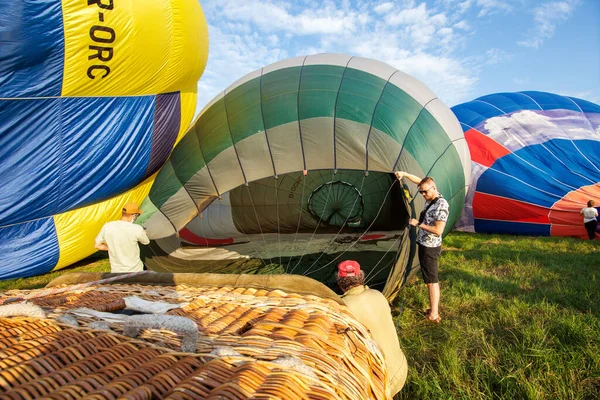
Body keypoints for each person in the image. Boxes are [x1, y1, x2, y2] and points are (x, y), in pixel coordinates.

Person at [337, 260, 408, 396]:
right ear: (361, 276)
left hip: (379, 383)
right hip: (401, 369)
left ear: (339, 280)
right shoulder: (378, 295)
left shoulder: (343, 308)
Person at [394, 171, 449, 323]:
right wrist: (404, 174)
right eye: (421, 192)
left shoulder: (441, 205)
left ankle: (434, 314)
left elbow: (438, 231)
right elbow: (421, 181)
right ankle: (433, 310)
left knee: (431, 281)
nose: (423, 194)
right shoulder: (431, 195)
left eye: (425, 192)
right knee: (429, 279)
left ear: (434, 188)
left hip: (430, 247)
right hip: (425, 243)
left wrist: (418, 224)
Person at [94, 202, 150, 273]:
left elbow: (97, 245)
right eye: (137, 215)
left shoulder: (107, 226)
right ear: (133, 215)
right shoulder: (137, 229)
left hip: (116, 271)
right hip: (135, 270)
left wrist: (111, 247)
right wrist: (143, 233)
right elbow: (146, 242)